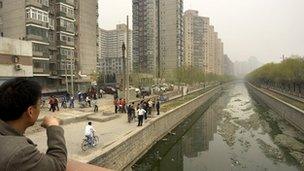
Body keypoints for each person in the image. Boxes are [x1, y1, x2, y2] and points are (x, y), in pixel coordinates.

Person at [0, 78, 67, 170]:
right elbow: (58, 164)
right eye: (39, 104)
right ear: (30, 111)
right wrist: (53, 126)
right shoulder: (20, 153)